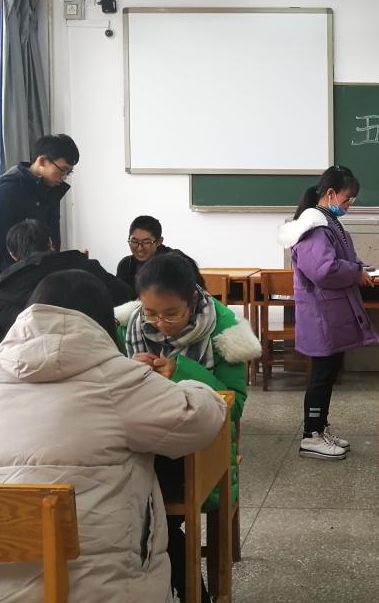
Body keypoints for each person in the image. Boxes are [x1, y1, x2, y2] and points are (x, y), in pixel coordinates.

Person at [0, 270, 227, 603]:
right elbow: (198, 419)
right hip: (86, 592)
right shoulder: (116, 379)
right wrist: (187, 383)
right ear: (102, 322)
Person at [117, 251, 260, 603]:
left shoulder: (225, 330)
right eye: (151, 313)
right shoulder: (127, 324)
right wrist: (128, 369)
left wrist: (182, 371)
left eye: (171, 314)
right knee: (120, 510)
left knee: (153, 516)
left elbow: (234, 405)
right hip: (141, 441)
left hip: (200, 447)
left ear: (193, 300)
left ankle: (192, 592)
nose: (160, 324)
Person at [278, 165, 378, 461]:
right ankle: (311, 436)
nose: (349, 205)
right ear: (331, 194)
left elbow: (337, 259)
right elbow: (323, 270)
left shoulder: (326, 221)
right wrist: (355, 273)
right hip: (321, 313)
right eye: (348, 199)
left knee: (329, 371)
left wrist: (359, 267)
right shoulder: (314, 226)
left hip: (328, 311)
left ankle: (320, 429)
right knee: (321, 375)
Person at [0, 219, 133, 357]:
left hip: (26, 366)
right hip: (95, 355)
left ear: (12, 254)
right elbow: (128, 296)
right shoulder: (85, 265)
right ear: (50, 243)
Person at [0, 133, 79, 299]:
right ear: (42, 161)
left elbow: (53, 240)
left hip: (38, 282)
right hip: (8, 286)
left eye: (69, 172)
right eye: (62, 170)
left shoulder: (51, 190)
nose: (64, 177)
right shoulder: (6, 190)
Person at [117, 214, 175, 290]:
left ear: (159, 241)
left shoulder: (174, 264)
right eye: (134, 241)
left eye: (146, 242)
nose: (139, 248)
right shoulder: (125, 265)